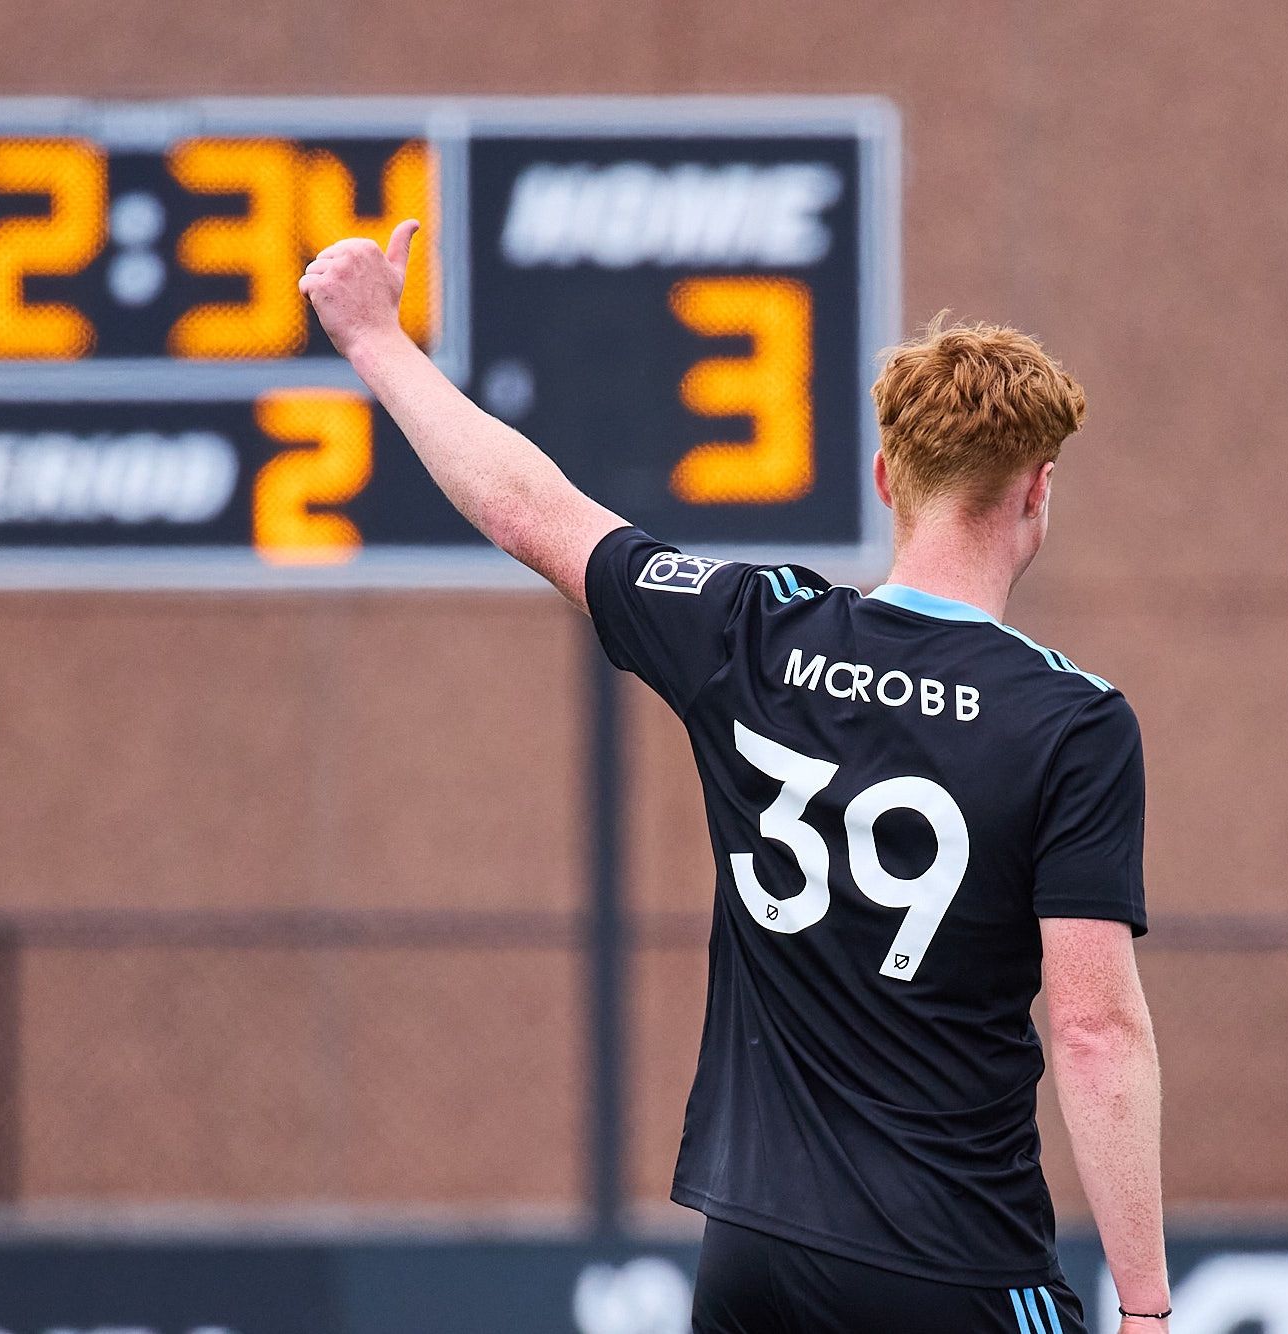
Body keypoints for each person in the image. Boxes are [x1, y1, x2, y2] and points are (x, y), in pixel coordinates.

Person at [300, 223, 1170, 1334]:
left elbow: (528, 509)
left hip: (751, 1258)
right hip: (950, 1258)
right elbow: (1093, 1030)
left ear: (883, 475)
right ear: (1035, 493)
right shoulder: (1070, 719)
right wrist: (1142, 1305)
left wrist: (375, 338)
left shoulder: (752, 630)